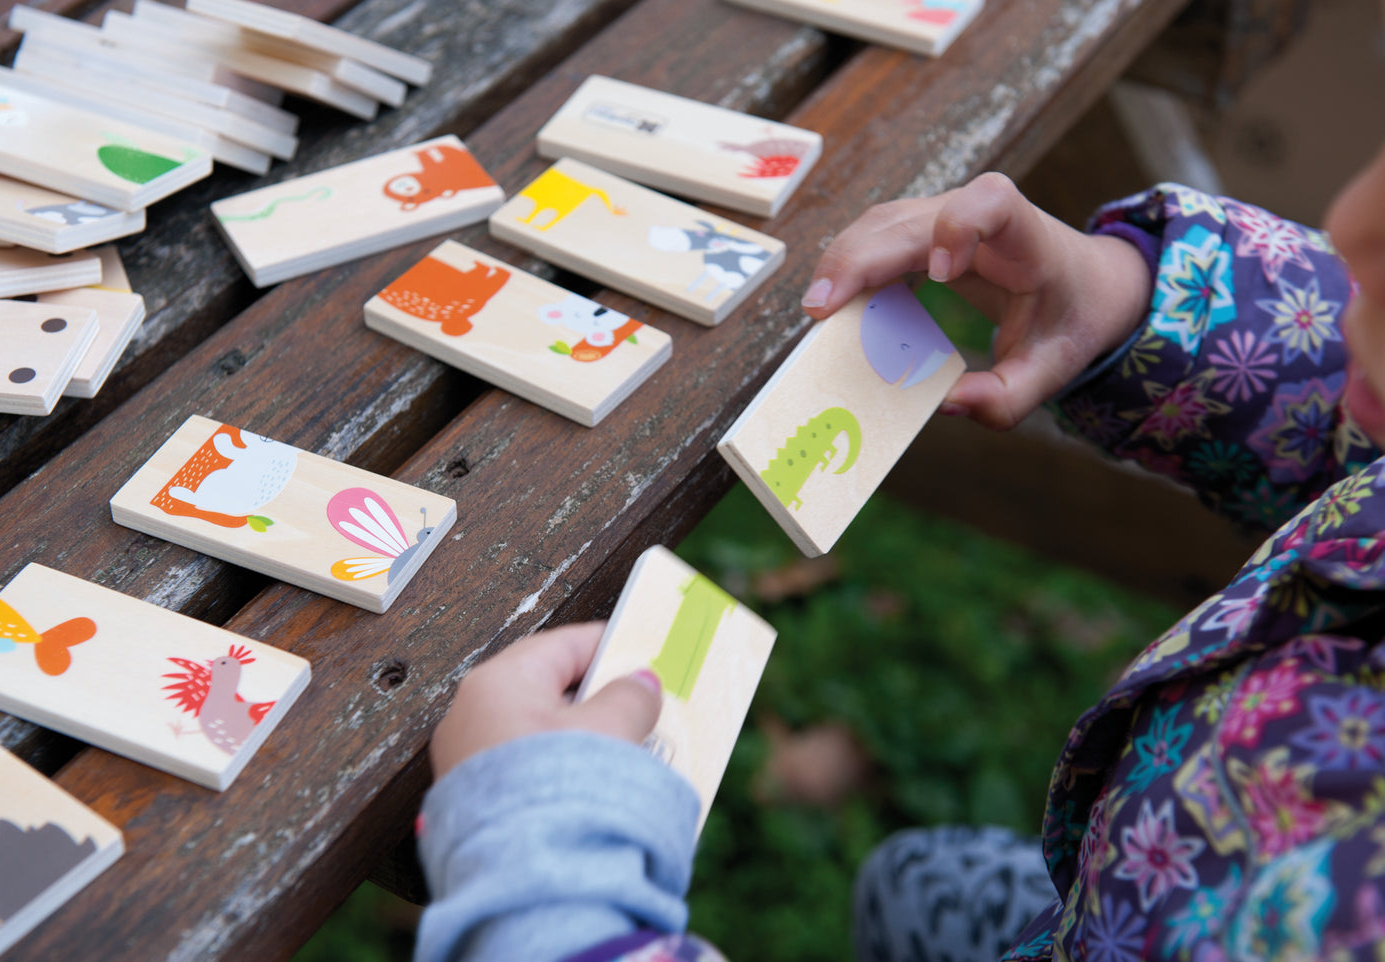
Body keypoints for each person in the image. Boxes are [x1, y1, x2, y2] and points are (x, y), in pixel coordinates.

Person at [414, 135, 1385, 962]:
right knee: (907, 881)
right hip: (1109, 894)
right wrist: (1136, 300)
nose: (1349, 228)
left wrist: (533, 857)